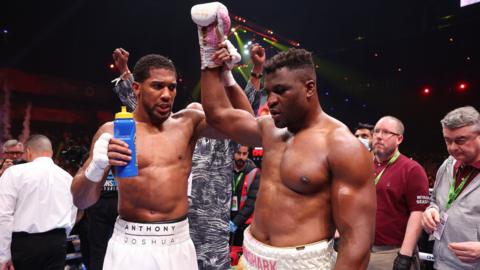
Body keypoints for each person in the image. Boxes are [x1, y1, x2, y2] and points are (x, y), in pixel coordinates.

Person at [193, 3, 376, 268]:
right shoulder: (270, 129)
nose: (273, 100)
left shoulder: (342, 146)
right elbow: (219, 115)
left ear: (309, 88)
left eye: (281, 90)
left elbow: (356, 242)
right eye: (269, 92)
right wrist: (209, 53)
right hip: (252, 257)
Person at [71, 49, 253, 269]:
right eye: (158, 86)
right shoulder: (113, 131)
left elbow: (247, 126)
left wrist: (226, 76)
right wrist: (95, 167)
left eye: (172, 87)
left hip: (178, 244)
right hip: (130, 244)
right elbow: (81, 201)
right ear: (136, 88)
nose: (167, 94)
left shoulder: (189, 123)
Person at [0, 134, 76, 270]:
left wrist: (4, 255)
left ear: (28, 151)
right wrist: (61, 237)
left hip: (25, 244)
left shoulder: (14, 173)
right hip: (57, 243)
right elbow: (73, 212)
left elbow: (4, 215)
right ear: (51, 152)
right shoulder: (67, 178)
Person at [421, 106, 480, 270]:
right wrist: (431, 210)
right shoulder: (448, 164)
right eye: (448, 140)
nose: (452, 147)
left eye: (460, 140)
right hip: (441, 262)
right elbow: (434, 200)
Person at [368, 116, 429, 270]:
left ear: (399, 139)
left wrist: (405, 254)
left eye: (386, 132)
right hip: (359, 247)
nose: (379, 136)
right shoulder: (362, 165)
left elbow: (418, 212)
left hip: (390, 252)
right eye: (376, 131)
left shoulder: (412, 169)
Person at [229, 145, 261, 247]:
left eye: (244, 154)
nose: (241, 157)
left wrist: (236, 222)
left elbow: (251, 203)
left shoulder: (254, 173)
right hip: (226, 220)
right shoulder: (225, 169)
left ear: (248, 155)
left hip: (244, 224)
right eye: (238, 153)